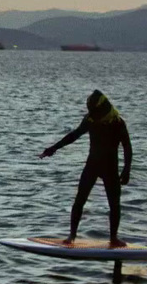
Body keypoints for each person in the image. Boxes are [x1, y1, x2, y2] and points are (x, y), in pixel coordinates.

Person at [40, 89, 133, 247]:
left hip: (110, 167)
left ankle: (114, 238)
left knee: (114, 204)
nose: (92, 114)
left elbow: (127, 147)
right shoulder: (90, 120)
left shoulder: (117, 122)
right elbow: (74, 135)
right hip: (92, 165)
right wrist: (54, 148)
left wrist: (126, 169)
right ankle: (72, 236)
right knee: (79, 200)